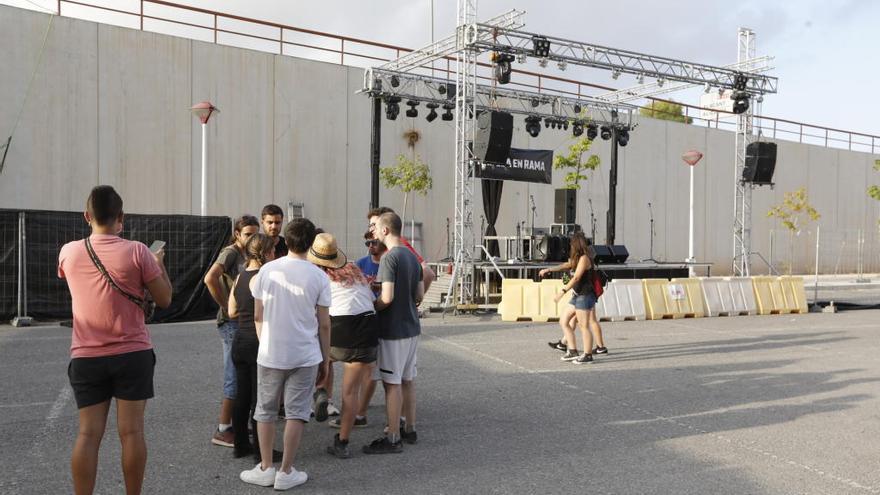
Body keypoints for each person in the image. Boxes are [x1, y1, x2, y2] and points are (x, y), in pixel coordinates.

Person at [59, 185, 172, 495]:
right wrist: (158, 263)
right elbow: (164, 299)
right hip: (132, 352)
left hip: (86, 354)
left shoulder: (68, 251)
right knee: (132, 432)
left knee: (87, 435)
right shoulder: (138, 251)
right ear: (121, 217)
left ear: (86, 216)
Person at [239, 218, 331, 490]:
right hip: (305, 354)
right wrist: (325, 360)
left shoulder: (267, 271)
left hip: (270, 352)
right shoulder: (318, 276)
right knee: (296, 412)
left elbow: (258, 315)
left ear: (285, 241)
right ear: (311, 243)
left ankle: (266, 467)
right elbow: (324, 323)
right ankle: (286, 471)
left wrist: (265, 340)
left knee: (265, 410)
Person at [306, 233, 378, 458]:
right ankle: (343, 442)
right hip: (367, 324)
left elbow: (315, 313)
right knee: (350, 392)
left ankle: (320, 392)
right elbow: (372, 299)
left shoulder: (317, 276)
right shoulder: (355, 270)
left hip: (339, 324)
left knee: (322, 358)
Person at [363, 212, 423, 454]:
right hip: (411, 328)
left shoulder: (389, 258)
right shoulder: (412, 255)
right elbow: (418, 296)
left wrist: (370, 307)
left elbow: (386, 298)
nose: (373, 232)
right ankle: (410, 428)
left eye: (376, 227)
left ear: (386, 231)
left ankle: (393, 437)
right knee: (408, 380)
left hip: (392, 330)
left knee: (392, 383)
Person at [204, 215, 260, 447]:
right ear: (237, 234)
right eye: (247, 234)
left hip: (242, 321)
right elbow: (210, 278)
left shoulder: (249, 254)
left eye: (254, 234)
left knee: (242, 375)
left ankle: (235, 425)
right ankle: (223, 428)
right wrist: (226, 305)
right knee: (233, 376)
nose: (251, 238)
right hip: (231, 322)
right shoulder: (231, 253)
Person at [227, 233, 280, 462]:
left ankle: (240, 445)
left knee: (242, 396)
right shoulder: (265, 277)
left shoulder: (240, 277)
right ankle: (261, 451)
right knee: (260, 399)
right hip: (258, 341)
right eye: (273, 251)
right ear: (266, 253)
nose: (275, 255)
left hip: (240, 340)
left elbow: (231, 311)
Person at [538, 232, 607, 364]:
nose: (570, 246)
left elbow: (576, 277)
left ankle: (587, 355)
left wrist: (562, 292)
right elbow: (566, 265)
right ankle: (573, 350)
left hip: (585, 295)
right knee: (564, 321)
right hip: (577, 295)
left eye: (571, 244)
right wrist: (549, 269)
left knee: (584, 326)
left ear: (576, 244)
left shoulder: (585, 259)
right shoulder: (578, 257)